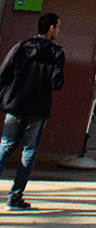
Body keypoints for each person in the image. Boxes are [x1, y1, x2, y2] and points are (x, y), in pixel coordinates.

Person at [0, 11, 65, 211]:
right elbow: (57, 83)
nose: (58, 31)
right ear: (51, 28)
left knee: (5, 148)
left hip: (15, 105)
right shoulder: (56, 53)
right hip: (38, 109)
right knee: (28, 153)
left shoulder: (20, 47)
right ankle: (15, 198)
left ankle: (15, 197)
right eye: (58, 27)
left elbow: (4, 73)